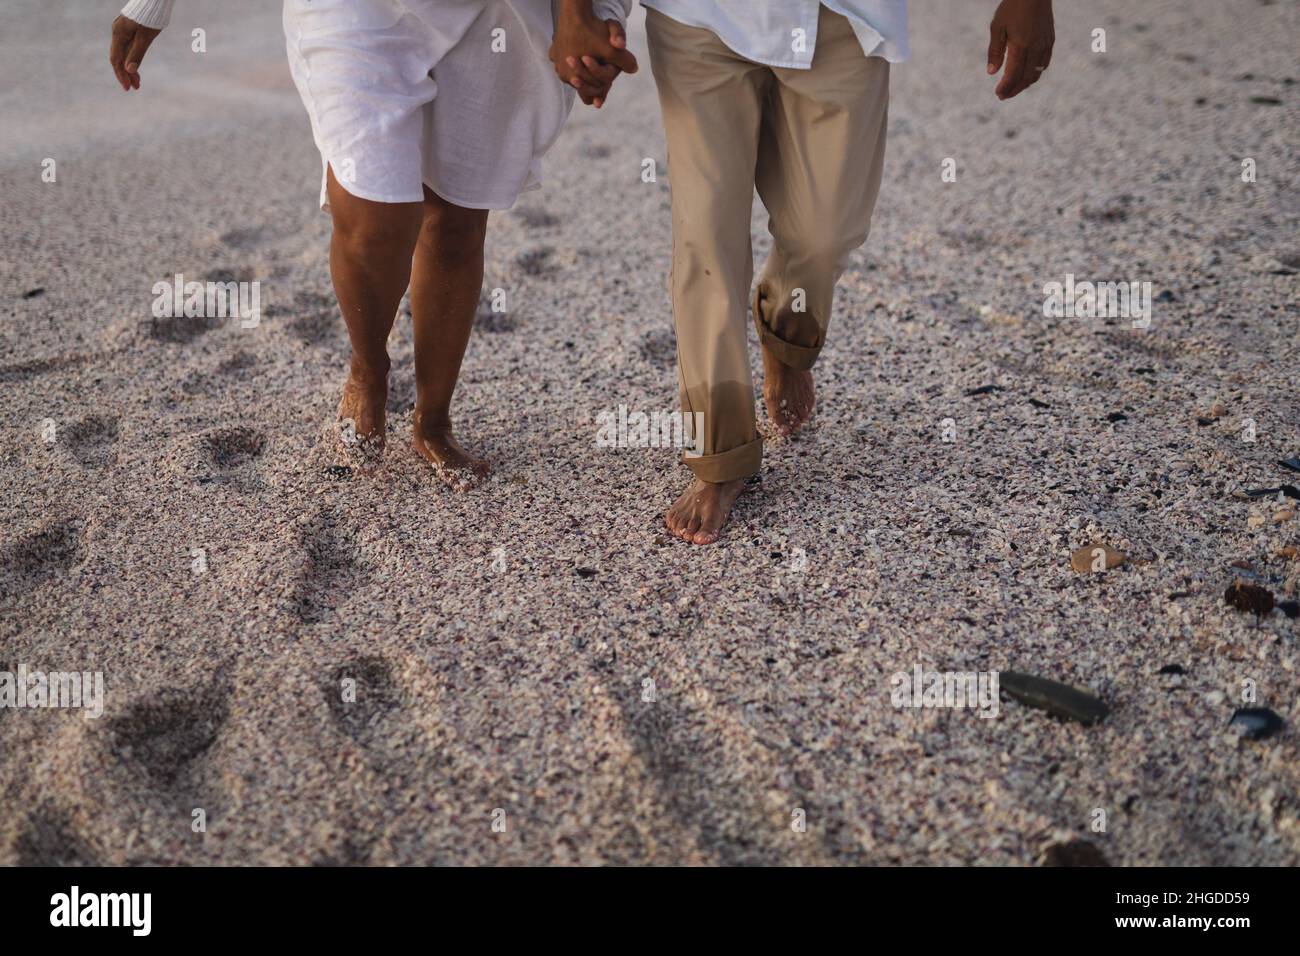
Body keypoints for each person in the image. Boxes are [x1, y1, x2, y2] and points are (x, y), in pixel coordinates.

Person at [109, 0, 637, 489]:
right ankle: (369, 364)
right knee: (374, 211)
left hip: (499, 14)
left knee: (456, 214)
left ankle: (432, 420)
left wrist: (588, 12)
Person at [635, 0, 1054, 543]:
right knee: (705, 240)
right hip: (695, 16)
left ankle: (787, 336)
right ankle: (719, 457)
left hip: (842, 16)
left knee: (823, 230)